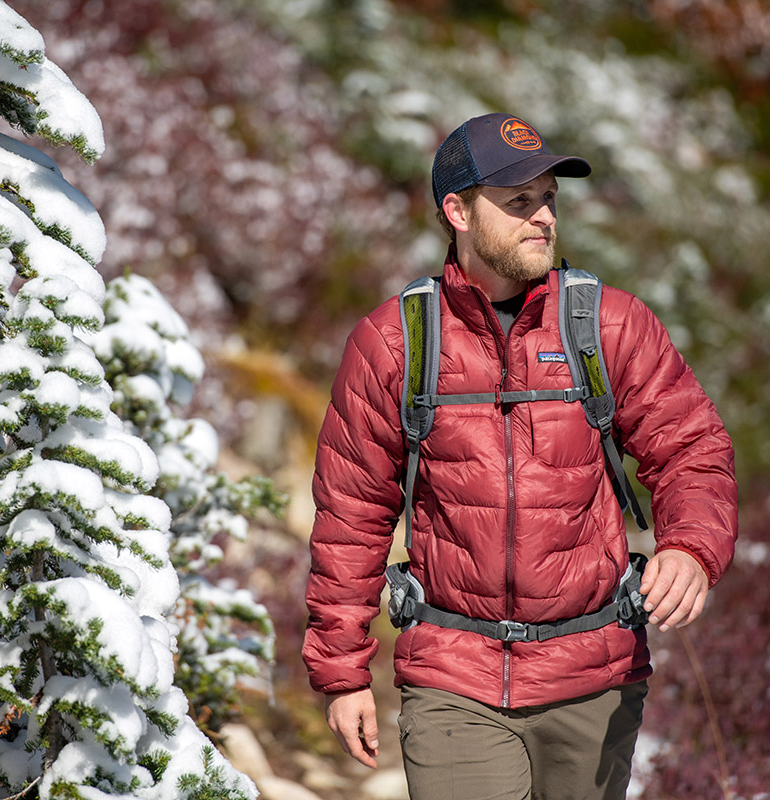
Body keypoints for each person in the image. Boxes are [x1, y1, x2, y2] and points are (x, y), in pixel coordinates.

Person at [302, 112, 737, 800]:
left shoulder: (610, 324)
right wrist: (342, 671)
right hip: (452, 679)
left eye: (548, 199)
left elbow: (691, 449)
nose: (543, 218)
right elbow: (350, 515)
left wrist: (690, 546)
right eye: (519, 202)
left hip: (595, 675)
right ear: (458, 211)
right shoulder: (394, 343)